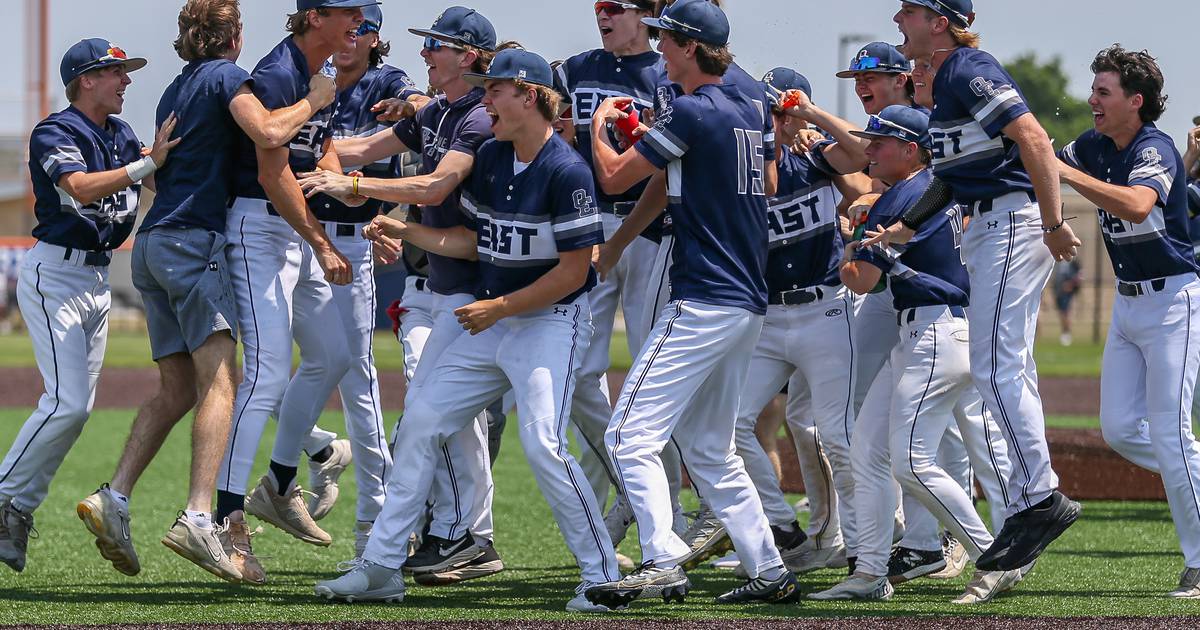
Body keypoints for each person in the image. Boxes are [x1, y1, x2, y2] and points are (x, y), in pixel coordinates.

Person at [313, 48, 619, 612]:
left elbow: (575, 272)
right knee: (421, 423)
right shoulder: (495, 157)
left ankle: (600, 575)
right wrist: (406, 232)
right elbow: (472, 242)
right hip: (497, 318)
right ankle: (381, 566)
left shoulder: (567, 170)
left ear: (530, 96)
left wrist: (499, 306)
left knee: (544, 445)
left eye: (495, 88)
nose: (485, 98)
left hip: (551, 321)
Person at [75, 0, 344, 583]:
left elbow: (166, 167)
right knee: (223, 382)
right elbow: (268, 131)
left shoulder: (175, 88)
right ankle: (201, 516)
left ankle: (114, 497)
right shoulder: (226, 76)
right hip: (194, 243)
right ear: (235, 35)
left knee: (176, 390)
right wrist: (316, 100)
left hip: (152, 244)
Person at [583, 0, 798, 607]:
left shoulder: (692, 108)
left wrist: (600, 124)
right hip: (746, 300)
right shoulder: (749, 102)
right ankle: (769, 570)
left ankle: (661, 560)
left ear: (692, 47)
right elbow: (748, 179)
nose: (659, 48)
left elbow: (614, 177)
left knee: (628, 435)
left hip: (704, 294)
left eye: (668, 39)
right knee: (709, 448)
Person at [871, 0, 1083, 572]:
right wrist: (907, 225)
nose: (898, 20)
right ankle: (1029, 500)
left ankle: (1039, 498)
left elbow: (1034, 138)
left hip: (1011, 220)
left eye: (909, 10)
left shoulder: (967, 67)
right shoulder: (945, 83)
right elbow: (950, 176)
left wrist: (1054, 222)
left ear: (939, 21)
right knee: (1007, 368)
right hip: (992, 223)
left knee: (995, 368)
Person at [304, 6, 507, 585]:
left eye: (436, 45)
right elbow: (356, 149)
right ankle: (456, 536)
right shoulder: (436, 111)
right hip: (443, 285)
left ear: (468, 56)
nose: (424, 53)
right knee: (438, 414)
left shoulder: (477, 117)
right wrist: (316, 156)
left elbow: (435, 185)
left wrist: (354, 186)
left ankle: (459, 535)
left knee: (471, 419)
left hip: (478, 290)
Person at [813, 105, 1019, 603]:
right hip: (928, 331)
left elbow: (861, 281)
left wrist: (847, 241)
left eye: (880, 142)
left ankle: (996, 557)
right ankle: (869, 572)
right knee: (868, 450)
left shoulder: (902, 198)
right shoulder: (925, 189)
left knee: (909, 460)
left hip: (934, 334)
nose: (869, 149)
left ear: (910, 150)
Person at [213, 0, 369, 580]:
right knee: (266, 374)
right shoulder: (281, 72)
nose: (357, 21)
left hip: (292, 226)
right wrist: (322, 242)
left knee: (333, 354)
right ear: (313, 17)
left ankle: (279, 482)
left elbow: (318, 147)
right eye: (347, 11)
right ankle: (224, 519)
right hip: (258, 228)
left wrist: (343, 183)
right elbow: (271, 171)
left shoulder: (318, 72)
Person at [0, 39, 159, 574]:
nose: (126, 80)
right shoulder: (57, 130)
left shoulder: (122, 133)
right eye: (116, 72)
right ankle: (3, 498)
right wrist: (147, 164)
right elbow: (80, 187)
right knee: (66, 403)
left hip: (95, 277)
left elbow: (156, 175)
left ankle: (16, 508)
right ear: (86, 79)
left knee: (77, 408)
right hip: (56, 274)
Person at [1057, 44, 1200, 599]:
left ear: (1135, 101)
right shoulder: (1094, 145)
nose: (1092, 100)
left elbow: (1138, 205)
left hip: (1173, 303)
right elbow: (1041, 157)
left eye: (1104, 91)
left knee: (1169, 433)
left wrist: (1064, 172)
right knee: (1119, 429)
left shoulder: (1154, 147)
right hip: (1128, 303)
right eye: (1093, 89)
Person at [724, 67, 856, 578]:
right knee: (730, 426)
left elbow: (861, 157)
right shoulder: (743, 169)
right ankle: (782, 527)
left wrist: (813, 117)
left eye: (783, 113)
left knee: (835, 434)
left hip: (825, 309)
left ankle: (861, 548)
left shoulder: (815, 156)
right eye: (769, 113)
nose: (776, 122)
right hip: (769, 315)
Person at [552, 0, 664, 555]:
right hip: (588, 226)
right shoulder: (575, 69)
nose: (603, 13)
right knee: (575, 372)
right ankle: (626, 487)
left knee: (653, 373)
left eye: (615, 6)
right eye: (599, 6)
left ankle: (662, 519)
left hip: (655, 230)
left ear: (646, 14)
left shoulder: (668, 70)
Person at [1051, 260, 1082, 346]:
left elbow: (1079, 276)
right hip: (1058, 291)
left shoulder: (1073, 263)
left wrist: (1070, 284)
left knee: (1066, 313)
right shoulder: (1056, 261)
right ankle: (1065, 333)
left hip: (1067, 293)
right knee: (1062, 314)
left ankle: (1067, 334)